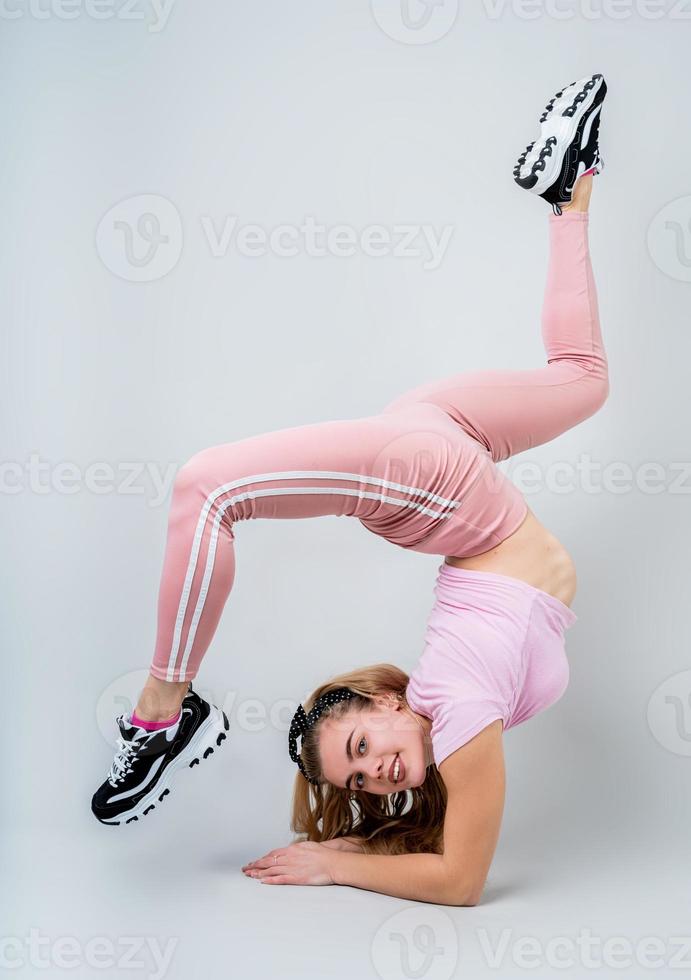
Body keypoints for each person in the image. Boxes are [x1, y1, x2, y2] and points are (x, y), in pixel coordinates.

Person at [92, 74, 609, 906]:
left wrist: (333, 862)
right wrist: (344, 847)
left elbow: (460, 883)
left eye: (362, 746)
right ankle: (570, 195)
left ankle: (161, 714)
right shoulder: (460, 724)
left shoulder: (452, 700)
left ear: (386, 699)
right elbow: (456, 868)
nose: (376, 775)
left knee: (207, 488)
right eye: (363, 781)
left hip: (441, 489)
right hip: (448, 460)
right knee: (582, 380)